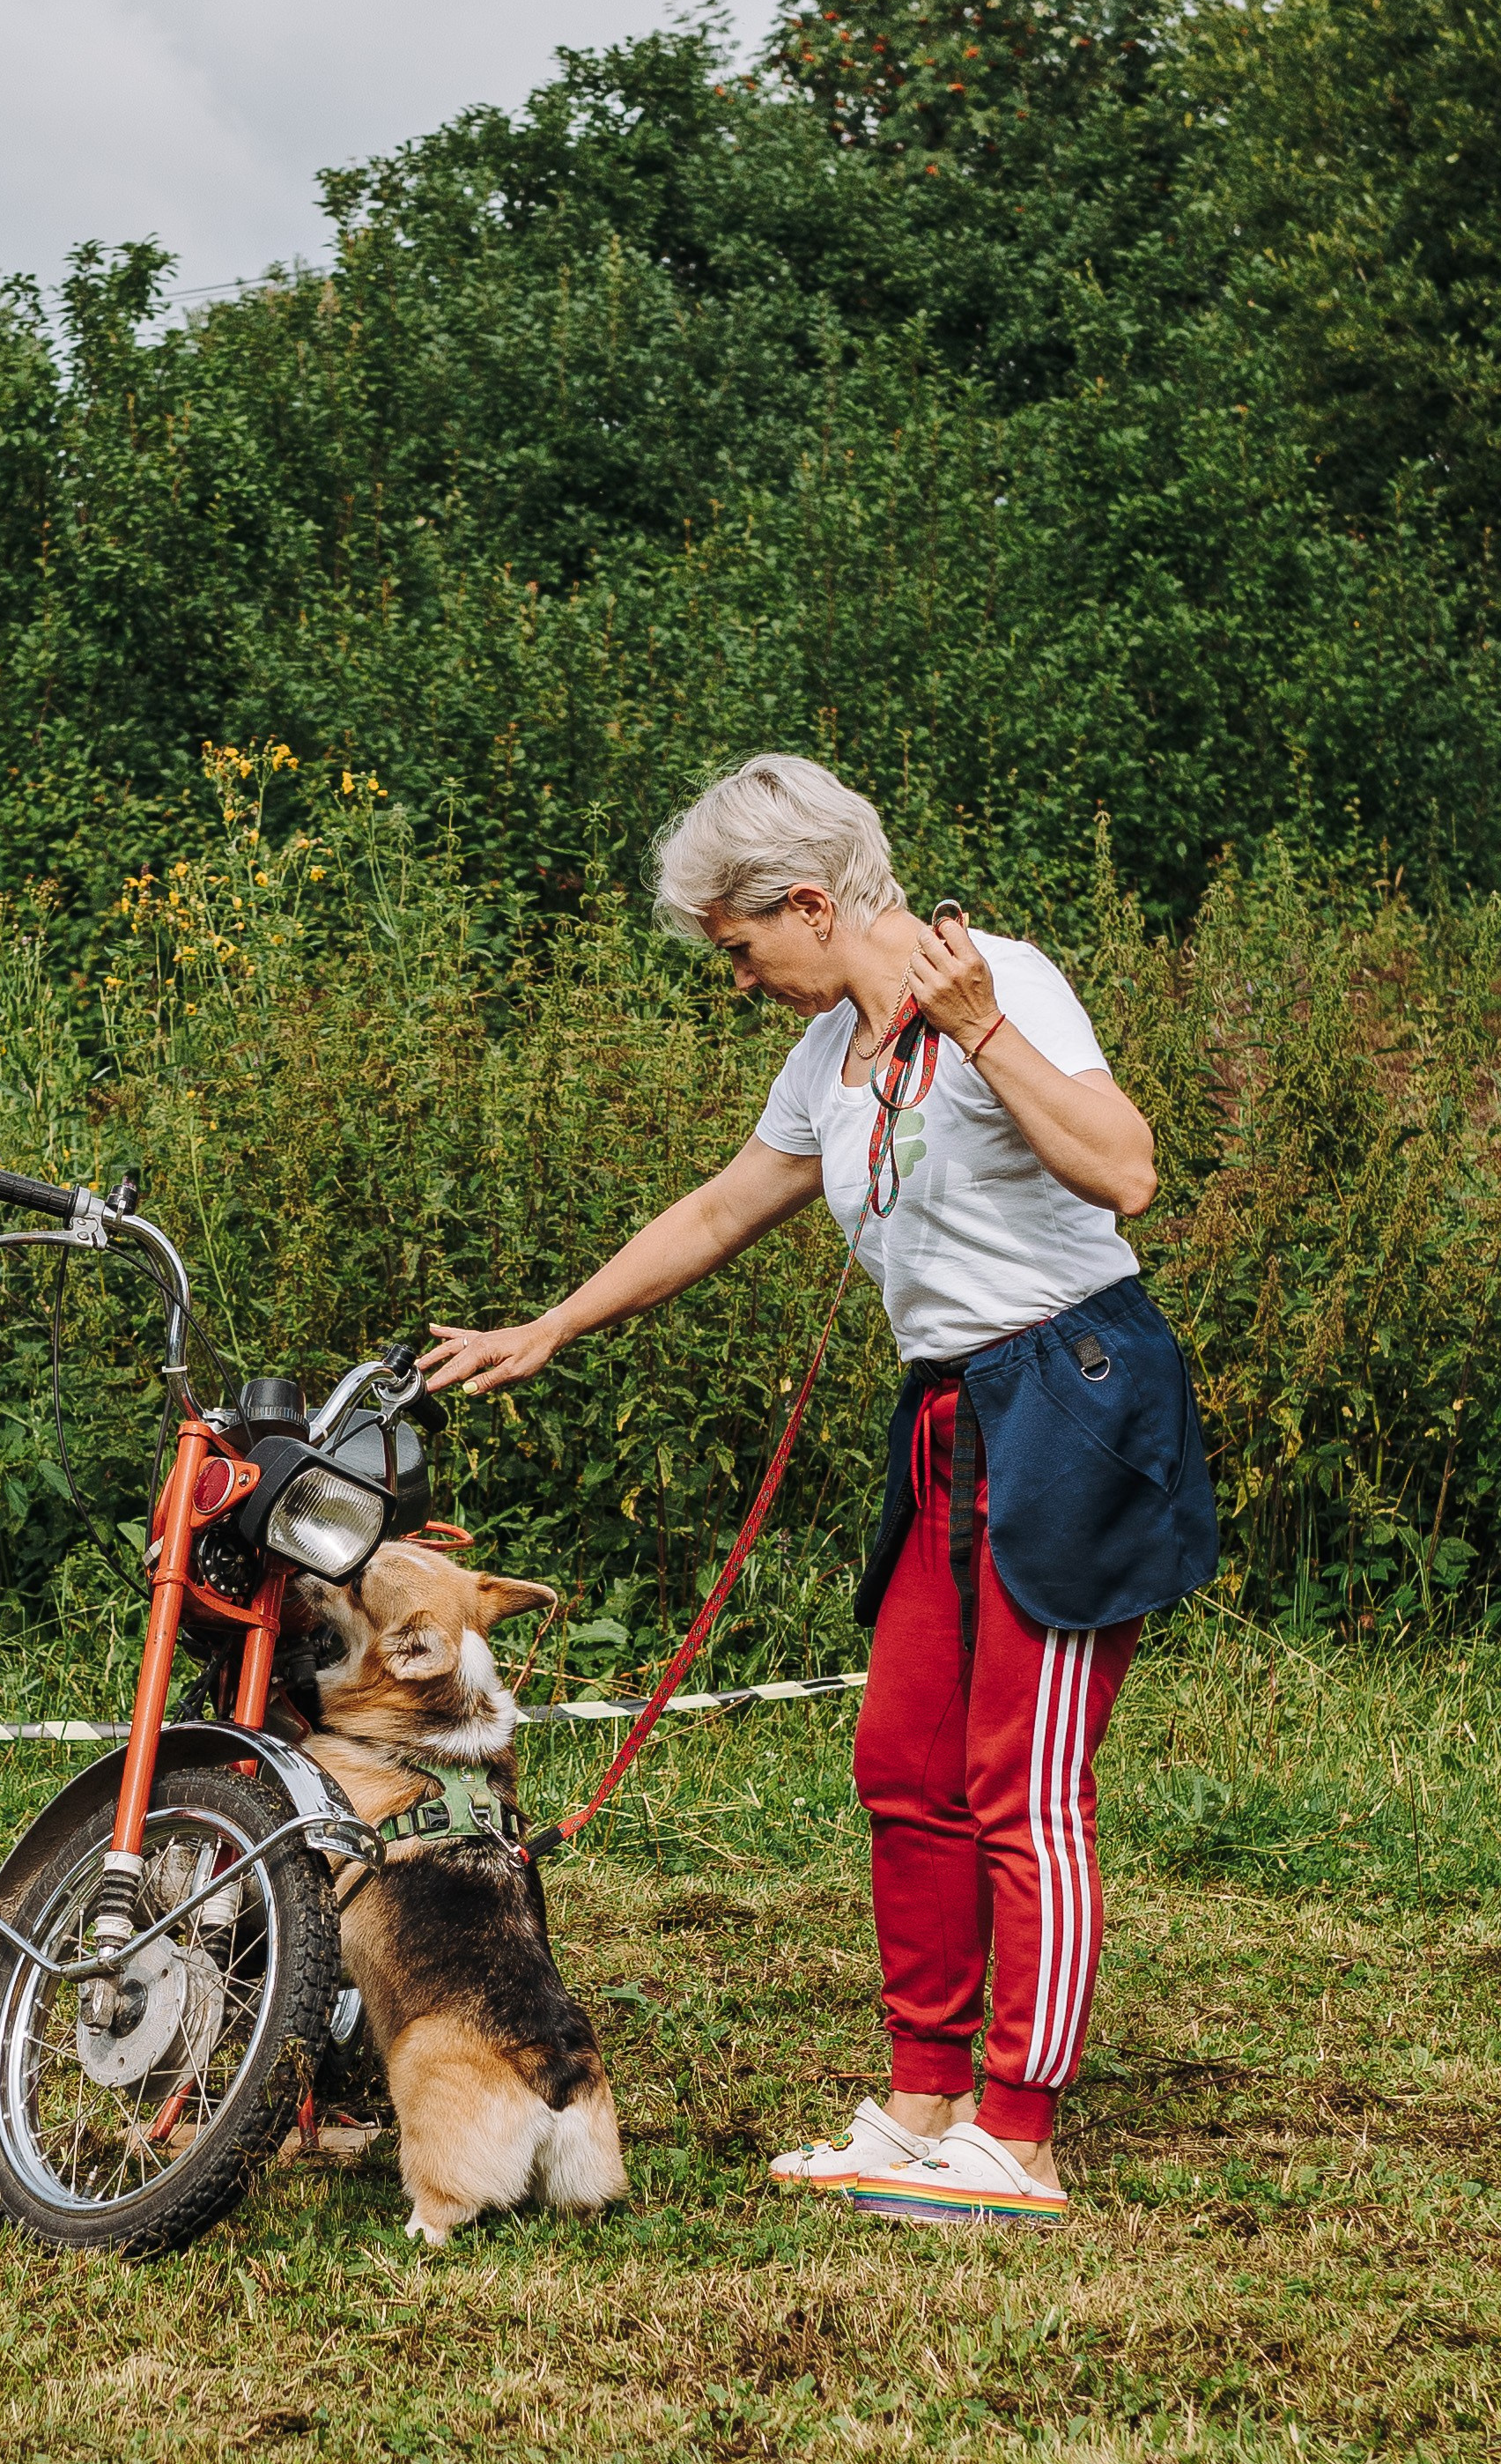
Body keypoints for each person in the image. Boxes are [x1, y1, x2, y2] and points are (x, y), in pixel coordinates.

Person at [418, 753, 1216, 2228]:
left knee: (1023, 1780)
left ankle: (1020, 2137)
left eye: (739, 949)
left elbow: (1126, 1170)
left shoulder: (1002, 981)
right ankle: (926, 2103)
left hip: (1074, 1396)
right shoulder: (831, 1051)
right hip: (951, 1414)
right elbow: (726, 1203)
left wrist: (982, 1031)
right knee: (904, 1763)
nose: (739, 981)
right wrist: (553, 1325)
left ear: (806, 902)